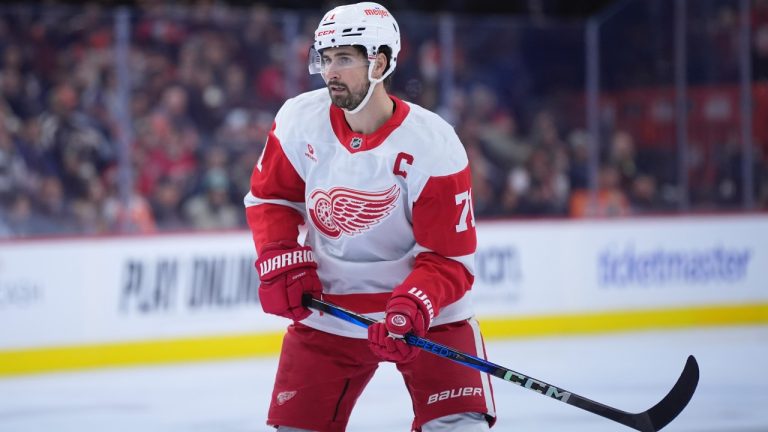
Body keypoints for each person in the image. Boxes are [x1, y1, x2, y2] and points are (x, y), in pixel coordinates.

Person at [244, 3, 496, 431]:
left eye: (343, 58)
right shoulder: (298, 120)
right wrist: (279, 253)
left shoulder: (434, 144)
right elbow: (270, 199)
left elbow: (450, 258)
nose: (330, 72)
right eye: (324, 59)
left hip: (429, 319)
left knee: (459, 427)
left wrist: (415, 303)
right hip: (329, 310)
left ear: (378, 62)